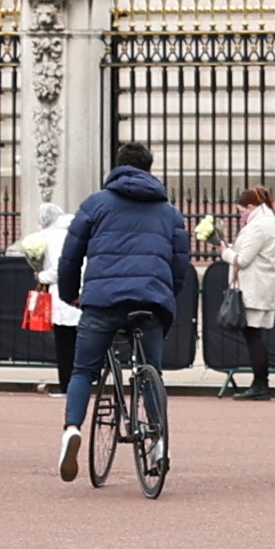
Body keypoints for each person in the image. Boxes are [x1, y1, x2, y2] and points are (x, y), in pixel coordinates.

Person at [48, 140, 200, 477]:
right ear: (150, 167)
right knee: (151, 374)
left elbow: (70, 256)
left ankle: (72, 429)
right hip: (150, 301)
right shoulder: (169, 211)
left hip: (102, 300)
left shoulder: (96, 204)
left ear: (117, 166)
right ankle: (158, 441)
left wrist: (71, 294)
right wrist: (166, 297)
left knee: (83, 370)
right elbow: (180, 264)